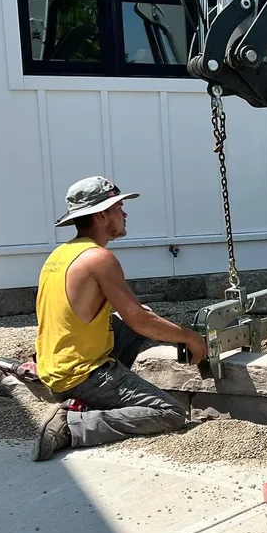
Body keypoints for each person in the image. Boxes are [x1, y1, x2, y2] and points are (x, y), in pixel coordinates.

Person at [32, 176, 208, 462]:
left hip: (54, 367)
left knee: (134, 319)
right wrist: (191, 337)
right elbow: (140, 320)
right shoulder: (98, 258)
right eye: (118, 208)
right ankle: (71, 426)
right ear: (101, 215)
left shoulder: (61, 254)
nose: (124, 214)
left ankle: (90, 401)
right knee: (169, 412)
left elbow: (133, 317)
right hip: (81, 375)